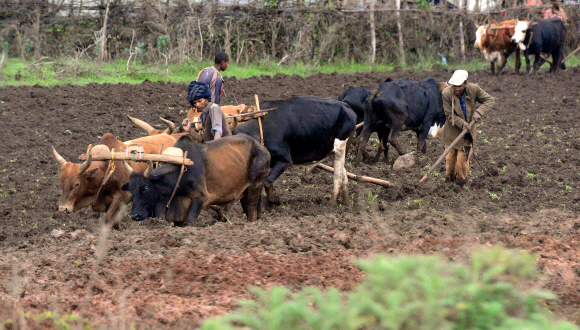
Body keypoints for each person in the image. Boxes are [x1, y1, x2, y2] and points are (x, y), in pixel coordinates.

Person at [441, 70, 495, 185]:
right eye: (454, 86)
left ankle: (461, 183)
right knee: (450, 160)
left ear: (465, 83)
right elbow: (449, 115)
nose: (456, 89)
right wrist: (462, 123)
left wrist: (479, 112)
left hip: (467, 136)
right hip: (452, 134)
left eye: (459, 86)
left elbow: (489, 100)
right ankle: (449, 183)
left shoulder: (474, 89)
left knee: (462, 161)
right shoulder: (446, 93)